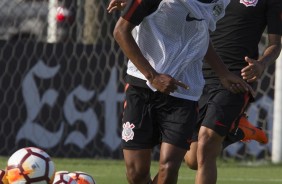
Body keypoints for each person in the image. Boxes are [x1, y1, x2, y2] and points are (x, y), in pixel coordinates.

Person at [111, 0, 254, 183]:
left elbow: (199, 35)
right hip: (141, 87)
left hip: (185, 93)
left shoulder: (222, 2)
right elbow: (120, 32)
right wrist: (153, 76)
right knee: (137, 174)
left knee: (169, 167)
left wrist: (223, 73)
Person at [183, 0, 282, 184]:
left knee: (206, 144)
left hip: (236, 79)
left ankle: (233, 128)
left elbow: (275, 44)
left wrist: (261, 64)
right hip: (199, 73)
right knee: (192, 160)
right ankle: (237, 131)